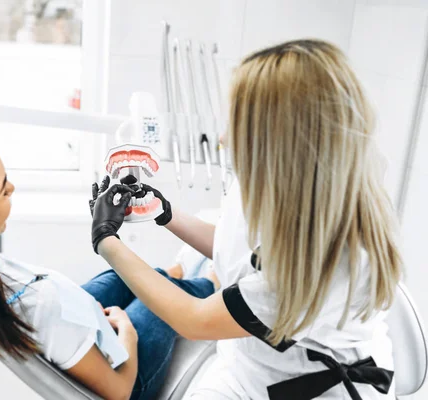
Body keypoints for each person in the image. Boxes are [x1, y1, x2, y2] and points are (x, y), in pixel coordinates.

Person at [89, 39, 401, 399]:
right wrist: (165, 213)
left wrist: (106, 239)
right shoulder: (268, 184)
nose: (222, 137)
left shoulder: (333, 257)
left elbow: (194, 319)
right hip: (249, 363)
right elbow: (240, 251)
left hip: (305, 387)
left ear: (279, 141)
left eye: (236, 124)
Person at [0, 119, 219, 400]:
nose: (13, 189)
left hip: (66, 326)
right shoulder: (40, 303)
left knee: (136, 277)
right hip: (120, 370)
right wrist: (127, 333)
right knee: (165, 291)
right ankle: (210, 283)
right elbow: (119, 391)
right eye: (4, 188)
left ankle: (172, 270)